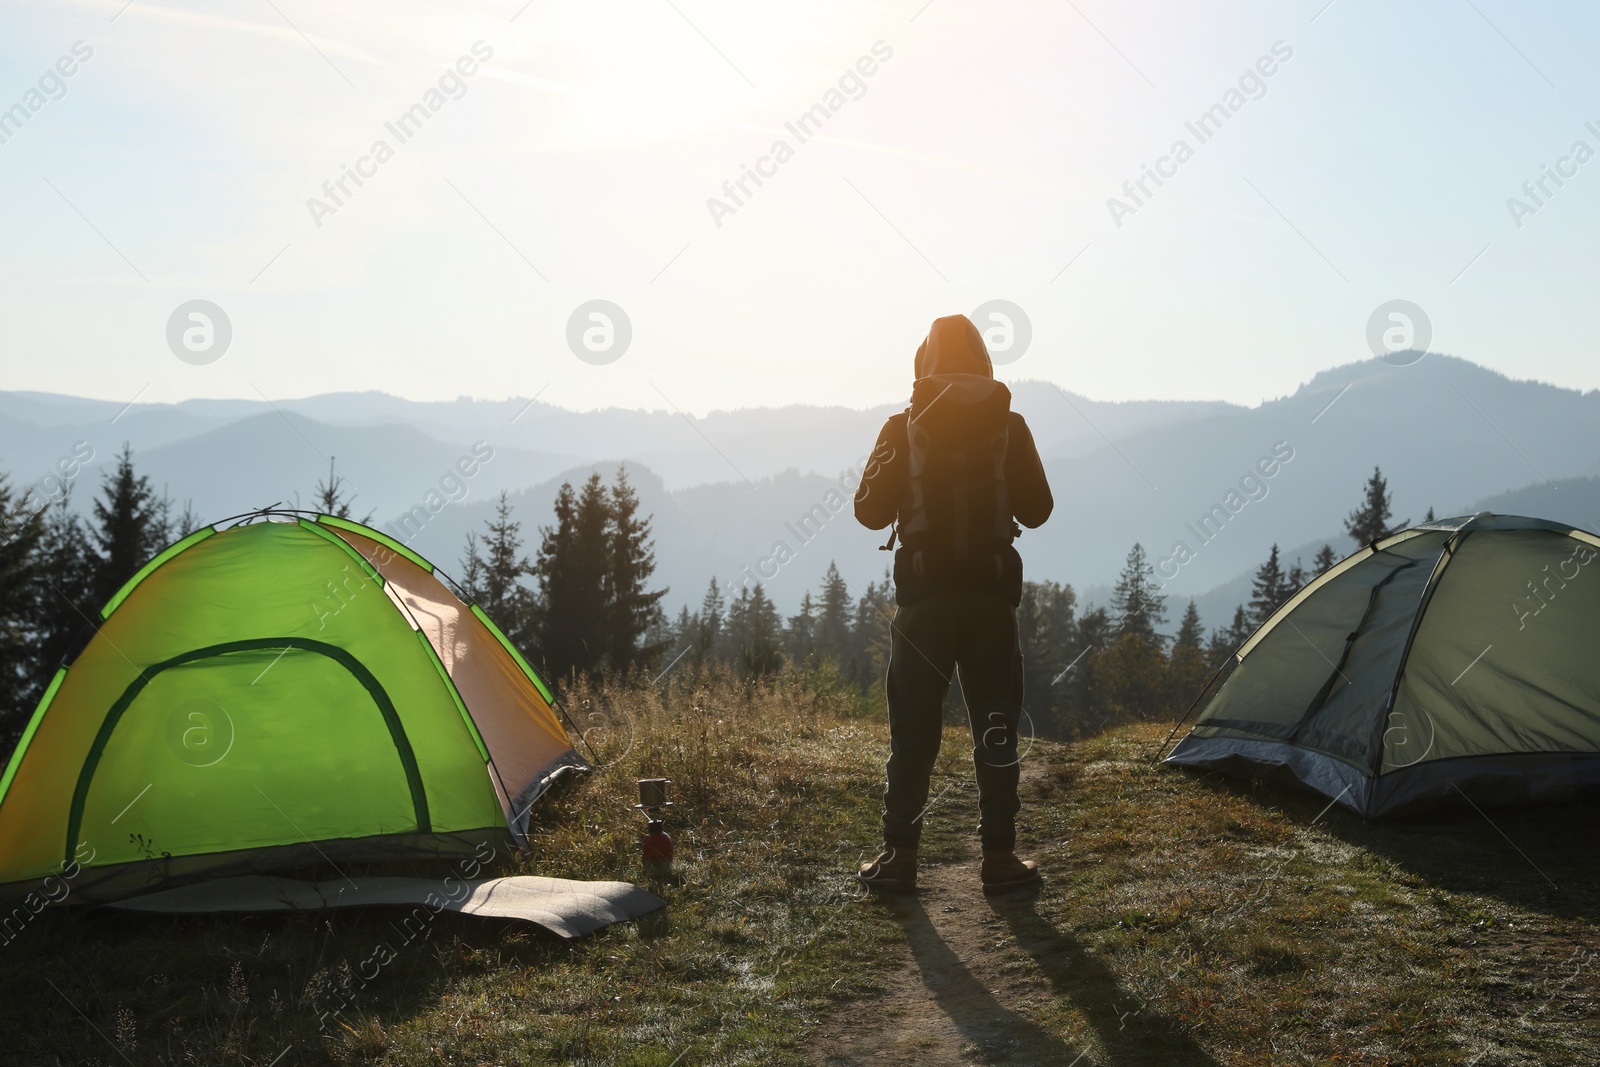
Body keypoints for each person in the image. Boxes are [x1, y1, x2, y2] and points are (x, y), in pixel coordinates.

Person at [853, 314, 1054, 896]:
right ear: (984, 363)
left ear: (923, 365)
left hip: (923, 601)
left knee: (914, 731)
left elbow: (868, 511)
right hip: (991, 600)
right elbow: (1038, 508)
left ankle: (899, 857)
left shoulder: (900, 426)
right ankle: (999, 860)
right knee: (995, 725)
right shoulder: (1010, 425)